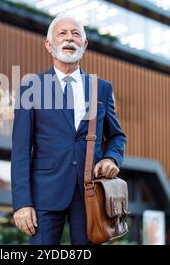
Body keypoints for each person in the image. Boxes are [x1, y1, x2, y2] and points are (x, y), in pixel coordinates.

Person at [11, 14, 127, 245]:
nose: (69, 38)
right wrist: (22, 203)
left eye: (76, 34)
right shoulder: (31, 87)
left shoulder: (101, 88)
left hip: (90, 194)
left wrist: (112, 159)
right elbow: (21, 149)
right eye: (62, 33)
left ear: (83, 45)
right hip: (44, 194)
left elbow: (116, 136)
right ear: (49, 45)